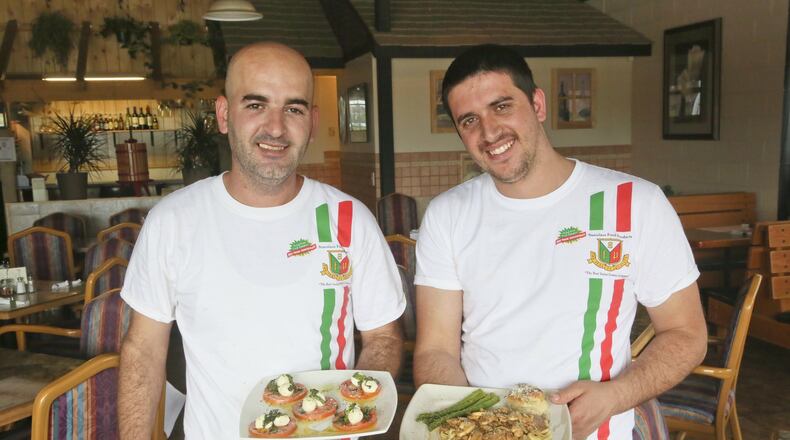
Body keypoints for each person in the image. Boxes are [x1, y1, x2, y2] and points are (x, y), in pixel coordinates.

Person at [413, 44, 707, 439]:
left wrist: (617, 395)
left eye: (502, 106)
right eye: (469, 120)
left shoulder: (634, 203)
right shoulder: (446, 215)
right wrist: (467, 424)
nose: (489, 132)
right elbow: (436, 350)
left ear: (537, 104)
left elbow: (687, 334)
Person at [118, 42, 405, 439]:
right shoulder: (174, 221)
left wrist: (349, 408)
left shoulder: (350, 219)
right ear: (224, 115)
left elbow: (384, 337)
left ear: (312, 122)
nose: (276, 128)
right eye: (256, 105)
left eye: (293, 109)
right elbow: (143, 350)